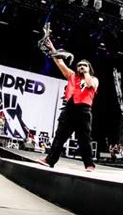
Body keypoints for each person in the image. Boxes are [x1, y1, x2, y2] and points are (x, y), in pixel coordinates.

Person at [37, 38, 99, 171]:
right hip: (70, 109)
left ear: (89, 68)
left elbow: (90, 85)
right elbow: (59, 62)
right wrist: (52, 48)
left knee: (84, 139)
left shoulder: (94, 79)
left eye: (84, 65)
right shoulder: (72, 76)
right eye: (79, 65)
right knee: (60, 136)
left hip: (84, 110)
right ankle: (50, 160)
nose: (81, 66)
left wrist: (86, 73)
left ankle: (89, 164)